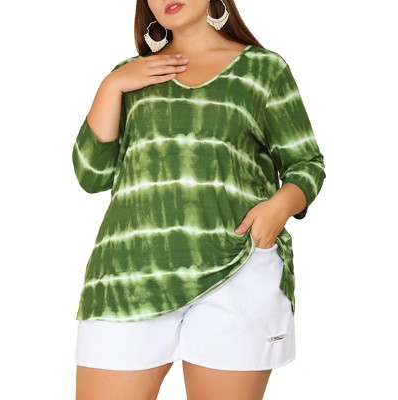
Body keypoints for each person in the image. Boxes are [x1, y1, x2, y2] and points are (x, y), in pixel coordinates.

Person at [72, 0, 326, 399]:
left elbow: (306, 164)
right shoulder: (131, 76)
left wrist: (278, 208)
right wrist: (113, 85)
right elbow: (92, 174)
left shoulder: (264, 70)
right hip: (128, 279)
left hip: (236, 269)